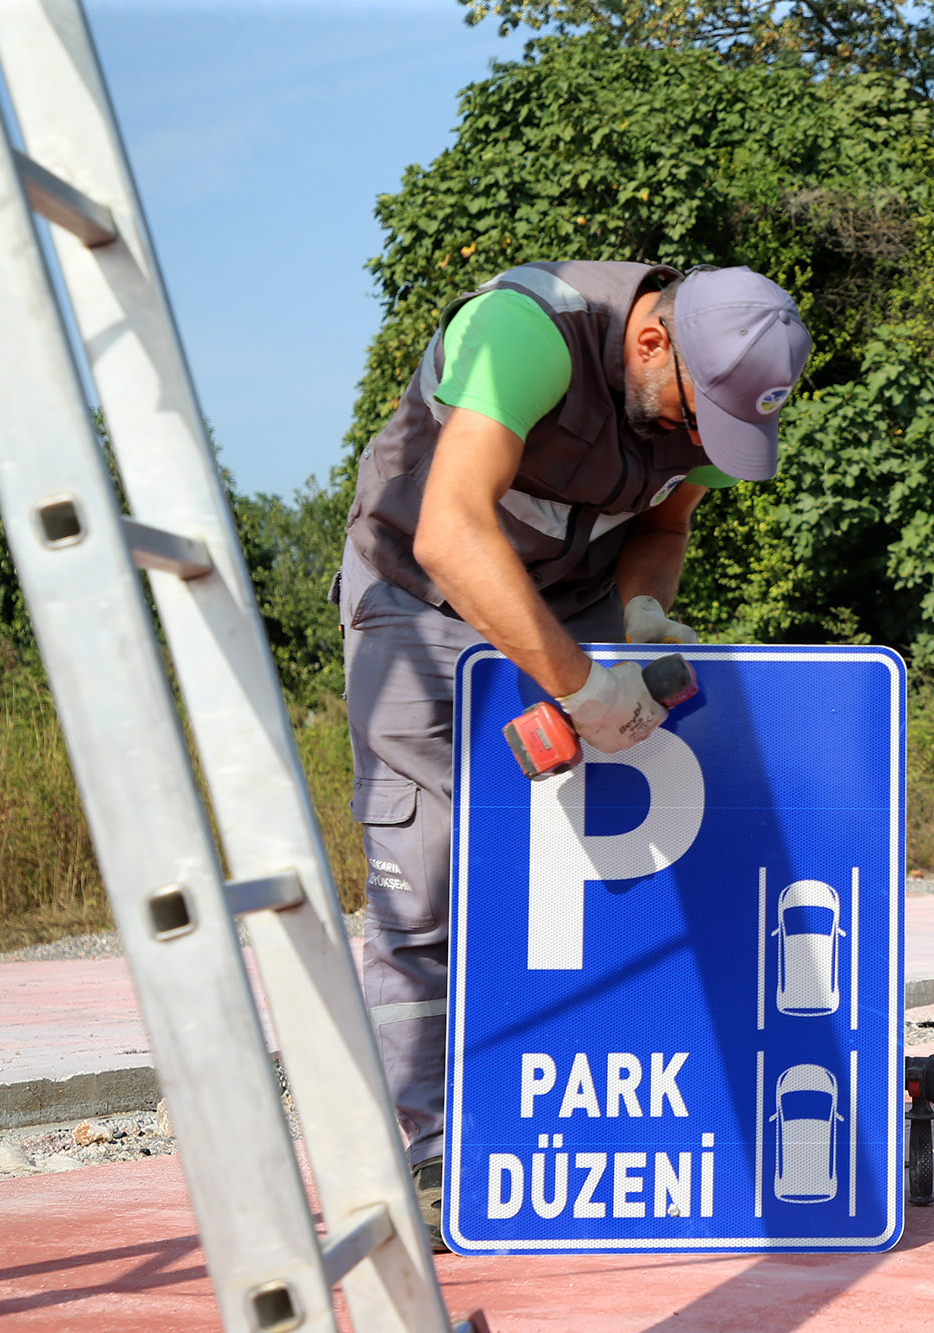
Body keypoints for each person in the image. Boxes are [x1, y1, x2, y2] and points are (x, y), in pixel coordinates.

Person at [337, 260, 812, 1244]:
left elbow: (664, 522)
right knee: (424, 886)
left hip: (577, 604)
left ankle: (597, 1125)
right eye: (692, 417)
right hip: (421, 604)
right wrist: (583, 686)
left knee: (608, 878)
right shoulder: (525, 332)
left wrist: (642, 610)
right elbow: (451, 532)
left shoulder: (710, 397)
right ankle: (432, 1155)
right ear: (649, 342)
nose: (697, 442)